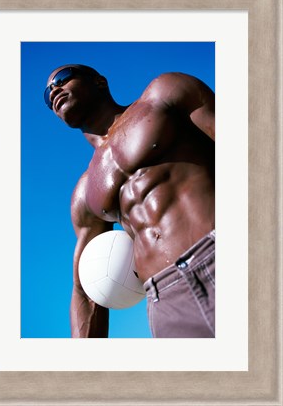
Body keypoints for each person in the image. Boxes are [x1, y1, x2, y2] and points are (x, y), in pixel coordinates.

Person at [44, 64, 215, 338]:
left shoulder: (163, 94)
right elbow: (86, 292)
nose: (54, 90)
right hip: (166, 299)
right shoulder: (85, 191)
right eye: (47, 93)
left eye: (63, 78)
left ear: (100, 81)